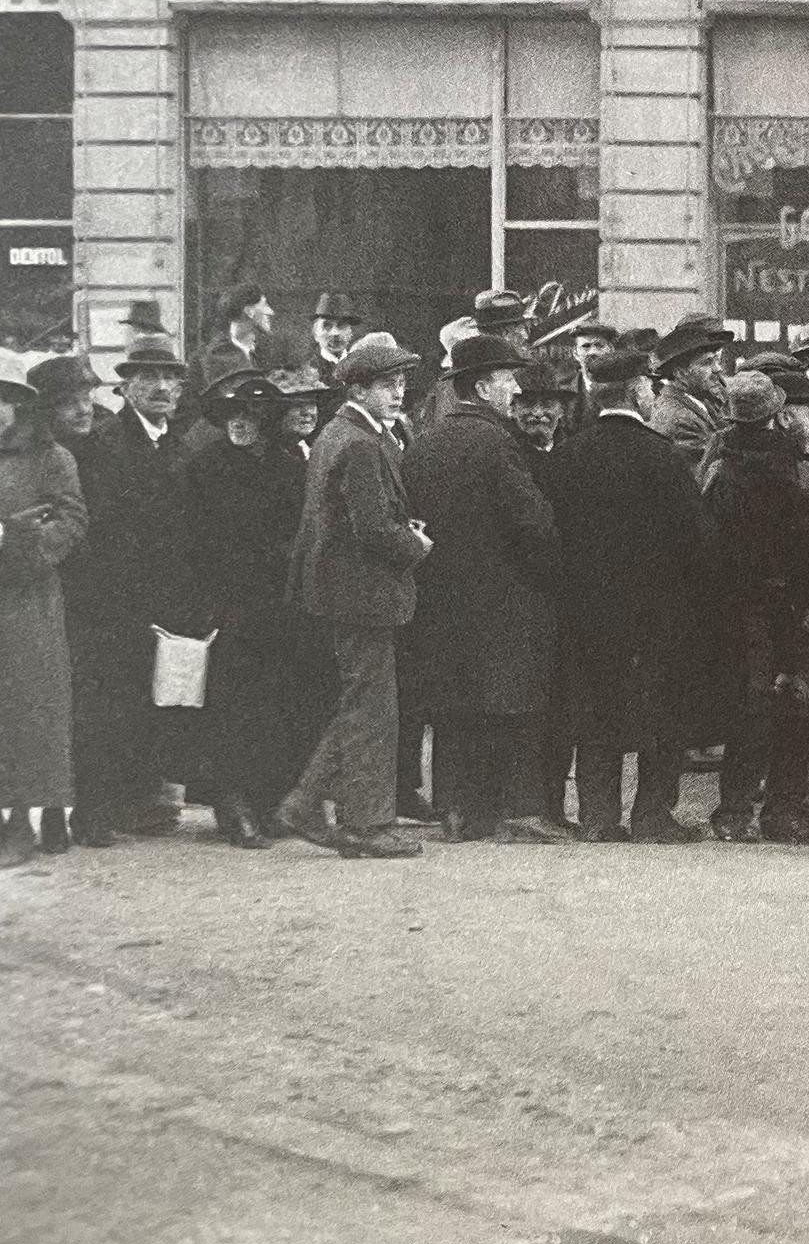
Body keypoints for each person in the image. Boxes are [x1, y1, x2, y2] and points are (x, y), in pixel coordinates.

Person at [403, 334, 571, 844]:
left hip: (441, 594)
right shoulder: (497, 442)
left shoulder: (426, 442)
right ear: (482, 385)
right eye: (505, 379)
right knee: (513, 704)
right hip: (504, 597)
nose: (513, 387)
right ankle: (519, 810)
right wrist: (550, 575)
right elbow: (534, 522)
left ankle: (456, 809)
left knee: (455, 705)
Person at [274, 334, 432, 860]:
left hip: (342, 591)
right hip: (361, 594)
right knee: (371, 709)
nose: (398, 393)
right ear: (359, 388)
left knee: (363, 705)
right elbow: (372, 530)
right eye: (387, 384)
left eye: (402, 382)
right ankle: (363, 824)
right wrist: (417, 543)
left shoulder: (337, 434)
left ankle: (310, 803)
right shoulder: (362, 443)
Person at [549, 350, 715, 842]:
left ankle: (599, 817)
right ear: (636, 390)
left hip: (588, 610)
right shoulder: (660, 456)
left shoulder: (570, 454)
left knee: (597, 710)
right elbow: (696, 538)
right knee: (662, 711)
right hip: (657, 611)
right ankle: (652, 815)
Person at [59, 331, 196, 846]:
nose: (161, 387)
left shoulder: (182, 444)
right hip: (110, 601)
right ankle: (92, 810)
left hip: (165, 599)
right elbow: (93, 529)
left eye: (169, 378)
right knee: (104, 705)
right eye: (149, 378)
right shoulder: (103, 446)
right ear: (127, 388)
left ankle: (139, 801)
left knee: (149, 701)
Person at [179, 371, 307, 848]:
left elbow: (300, 529)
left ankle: (268, 801)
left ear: (268, 420)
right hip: (229, 605)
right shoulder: (206, 466)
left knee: (275, 704)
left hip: (277, 605)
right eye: (233, 414)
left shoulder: (288, 465)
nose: (241, 424)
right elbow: (196, 542)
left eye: (251, 415)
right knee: (231, 707)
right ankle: (233, 808)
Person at [703, 370, 809, 841]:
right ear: (777, 414)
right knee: (794, 700)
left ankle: (733, 811)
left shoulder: (717, 464)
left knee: (747, 707)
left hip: (736, 602)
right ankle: (783, 810)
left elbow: (705, 537)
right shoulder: (798, 468)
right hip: (789, 602)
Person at [0, 351, 88, 868]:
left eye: (5, 400)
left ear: (20, 405)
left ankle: (35, 814)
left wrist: (29, 547)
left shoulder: (52, 458)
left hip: (28, 599)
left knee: (36, 704)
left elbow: (73, 520)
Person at [648, 316, 733, 482]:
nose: (718, 369)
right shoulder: (679, 419)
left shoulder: (696, 400)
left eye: (716, 360)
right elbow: (704, 478)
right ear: (680, 373)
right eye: (707, 363)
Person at [202, 283, 276, 385]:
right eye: (265, 305)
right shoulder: (217, 354)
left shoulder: (270, 351)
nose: (271, 312)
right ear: (249, 312)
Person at [307, 293, 362, 375]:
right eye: (326, 326)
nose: (335, 333)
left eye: (342, 325)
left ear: (351, 331)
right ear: (315, 333)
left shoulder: (360, 367)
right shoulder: (309, 371)